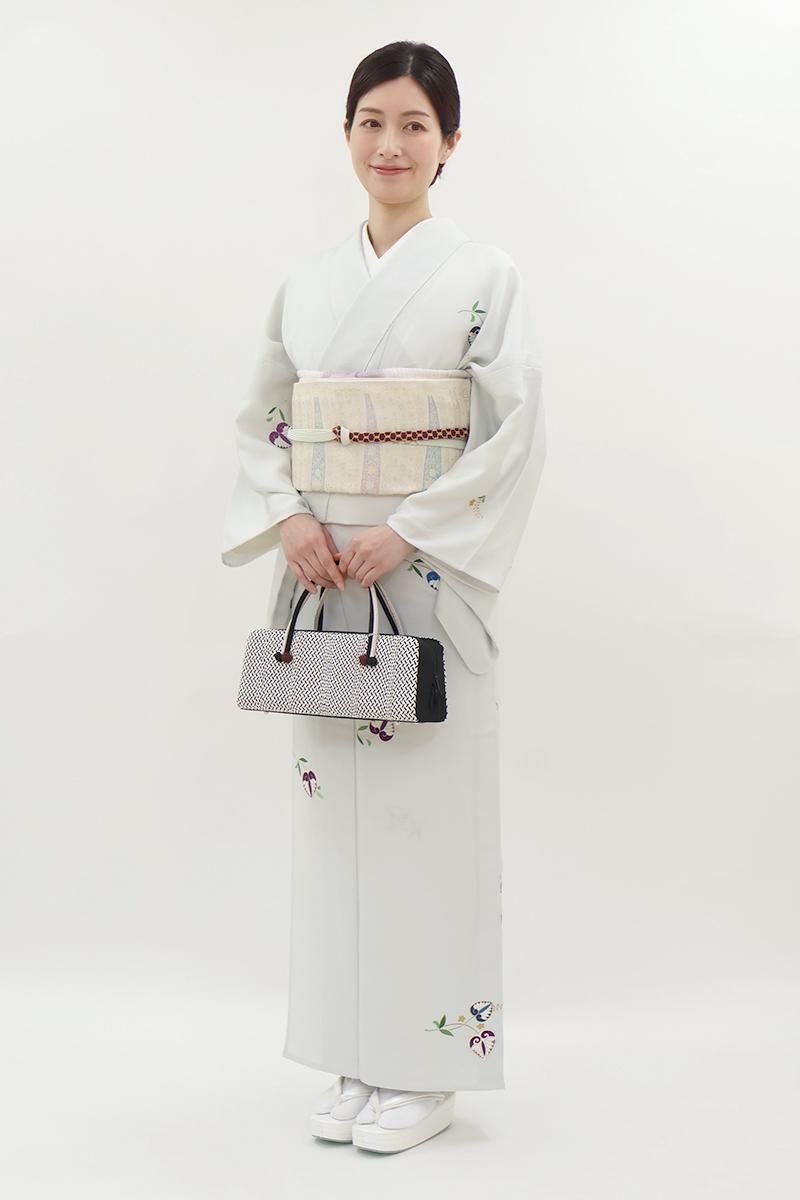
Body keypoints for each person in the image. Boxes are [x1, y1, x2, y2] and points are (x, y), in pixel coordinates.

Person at [221, 40, 547, 1154]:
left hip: (426, 577)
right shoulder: (307, 283)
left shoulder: (485, 275)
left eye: (414, 125)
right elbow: (262, 417)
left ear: (449, 142)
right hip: (326, 579)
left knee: (426, 820)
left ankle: (429, 1068)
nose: (390, 145)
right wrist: (290, 515)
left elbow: (513, 432)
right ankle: (356, 1056)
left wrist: (407, 527)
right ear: (347, 134)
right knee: (334, 821)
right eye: (371, 121)